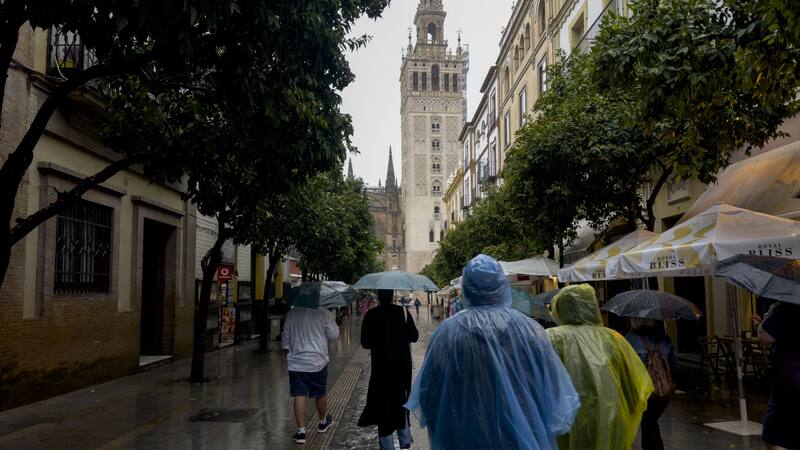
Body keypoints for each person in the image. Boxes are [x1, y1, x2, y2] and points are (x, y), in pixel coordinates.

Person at [406, 254, 580, 450]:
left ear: (466, 290)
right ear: (502, 286)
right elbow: (557, 400)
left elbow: (429, 397)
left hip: (464, 439)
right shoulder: (530, 331)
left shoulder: (446, 335)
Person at [546, 284, 654, 450]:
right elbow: (635, 387)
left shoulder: (550, 338)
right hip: (611, 422)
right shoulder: (614, 339)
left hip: (565, 426)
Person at [358, 289, 419, 450]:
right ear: (392, 296)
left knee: (383, 407)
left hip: (381, 371)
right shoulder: (403, 313)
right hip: (401, 371)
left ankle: (387, 446)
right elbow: (414, 336)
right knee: (401, 403)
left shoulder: (371, 315)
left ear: (378, 296)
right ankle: (405, 443)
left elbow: (365, 343)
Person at [281, 306, 340, 444]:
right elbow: (334, 335)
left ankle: (301, 431)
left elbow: (286, 336)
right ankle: (322, 422)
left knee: (299, 394)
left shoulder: (292, 313)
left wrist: (288, 351)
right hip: (317, 361)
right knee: (320, 393)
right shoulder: (324, 312)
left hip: (296, 362)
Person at [626, 318, 677, 450]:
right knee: (650, 421)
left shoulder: (631, 338)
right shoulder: (664, 338)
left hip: (643, 389)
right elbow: (673, 364)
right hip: (664, 389)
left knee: (648, 421)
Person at [758, 302, 800, 450]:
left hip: (790, 381)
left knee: (774, 434)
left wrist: (770, 314)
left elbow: (764, 337)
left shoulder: (790, 306)